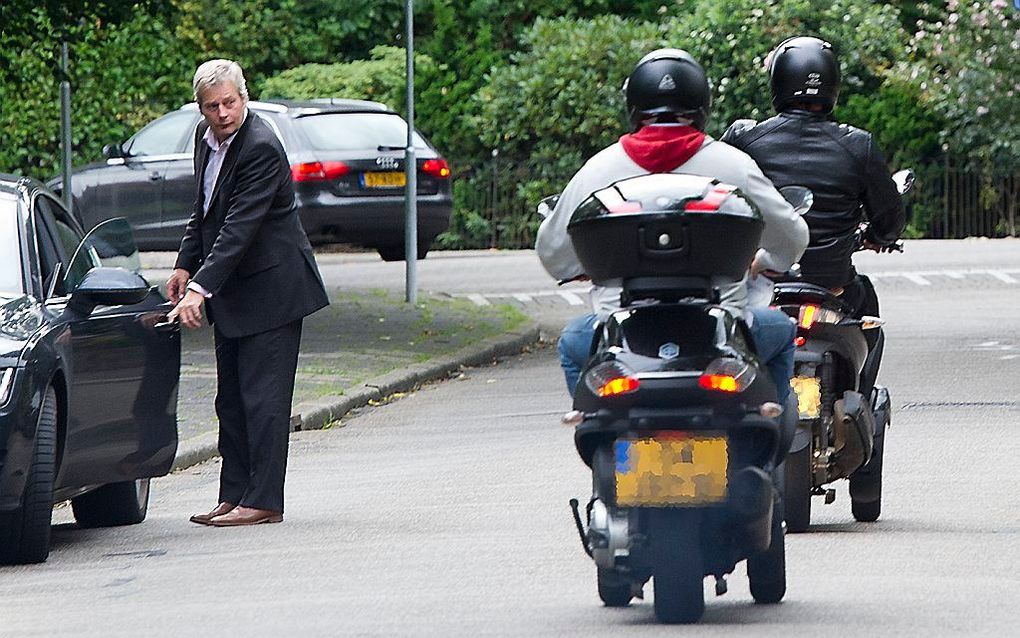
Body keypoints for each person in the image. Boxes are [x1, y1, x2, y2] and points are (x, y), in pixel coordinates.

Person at [536, 48, 809, 404]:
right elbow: (792, 237)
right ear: (702, 103)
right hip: (721, 332)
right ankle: (769, 436)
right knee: (782, 331)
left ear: (633, 105)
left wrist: (589, 265)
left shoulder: (599, 170)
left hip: (621, 333)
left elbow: (554, 254)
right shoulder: (733, 164)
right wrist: (766, 260)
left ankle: (601, 430)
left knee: (574, 342)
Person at [166, 59, 329, 527]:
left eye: (230, 102)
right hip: (235, 292)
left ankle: (263, 501)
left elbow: (240, 227)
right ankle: (233, 493)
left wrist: (199, 288)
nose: (222, 113)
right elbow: (203, 211)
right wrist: (183, 264)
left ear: (245, 96)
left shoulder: (260, 147)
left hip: (273, 290)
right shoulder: (206, 141)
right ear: (200, 108)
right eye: (212, 106)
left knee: (264, 400)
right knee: (230, 400)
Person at [721, 36, 905, 391]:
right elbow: (890, 220)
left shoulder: (745, 140)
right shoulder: (857, 145)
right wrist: (878, 237)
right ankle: (859, 397)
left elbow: (716, 198)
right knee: (867, 312)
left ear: (778, 81)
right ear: (833, 84)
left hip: (762, 280)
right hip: (831, 283)